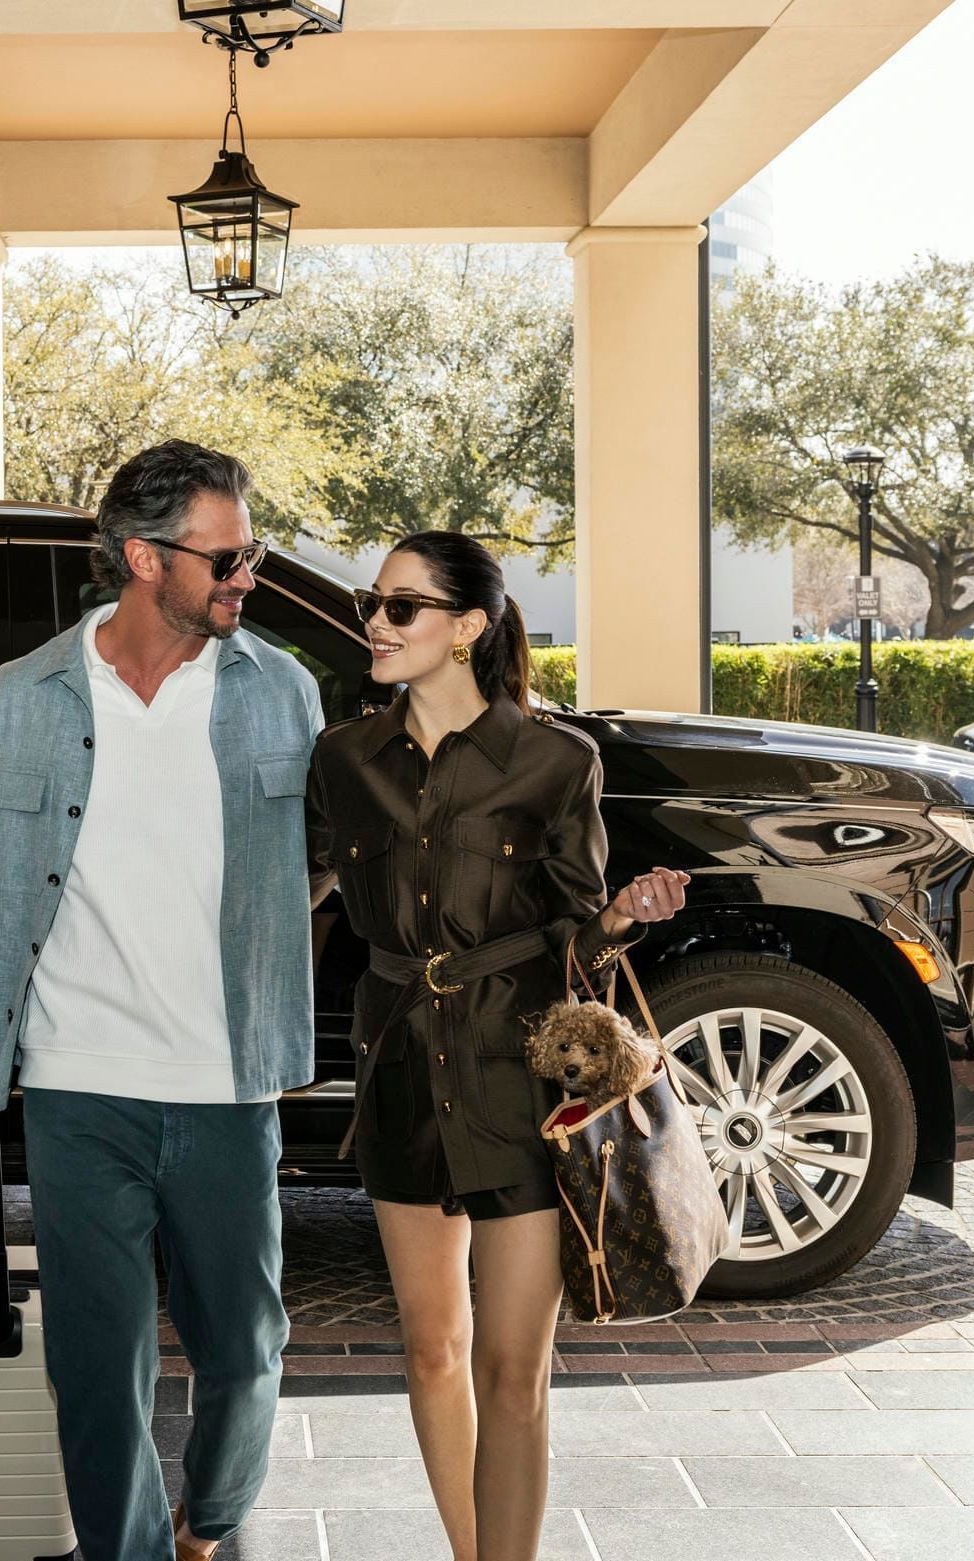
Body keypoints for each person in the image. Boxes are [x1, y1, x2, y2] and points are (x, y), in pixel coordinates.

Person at [0, 440, 325, 1561]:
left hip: (227, 1075)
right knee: (97, 1367)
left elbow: (335, 854)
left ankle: (214, 1518)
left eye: (251, 553)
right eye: (226, 558)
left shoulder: (281, 691)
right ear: (145, 559)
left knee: (243, 1348)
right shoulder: (27, 695)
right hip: (75, 1078)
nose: (248, 576)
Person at [306, 531, 688, 1561]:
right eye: (372, 602)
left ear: (469, 626)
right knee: (433, 1348)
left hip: (518, 1087)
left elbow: (573, 944)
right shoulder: (344, 759)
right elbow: (298, 892)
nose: (376, 623)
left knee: (514, 1371)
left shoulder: (557, 761)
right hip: (398, 1074)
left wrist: (619, 920)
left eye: (402, 607)